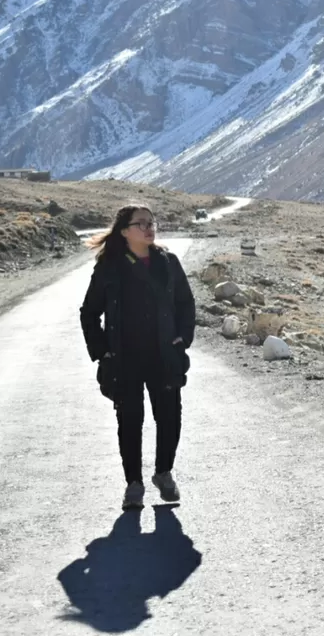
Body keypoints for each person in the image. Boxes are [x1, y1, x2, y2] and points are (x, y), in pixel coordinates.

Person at [80, 203, 195, 511]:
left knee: (169, 417)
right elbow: (89, 313)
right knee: (130, 421)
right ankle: (134, 484)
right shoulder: (109, 267)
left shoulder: (168, 262)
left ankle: (163, 473)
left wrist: (182, 338)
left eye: (151, 222)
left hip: (164, 354)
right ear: (124, 231)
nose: (149, 228)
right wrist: (102, 351)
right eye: (141, 223)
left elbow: (186, 303)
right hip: (125, 358)